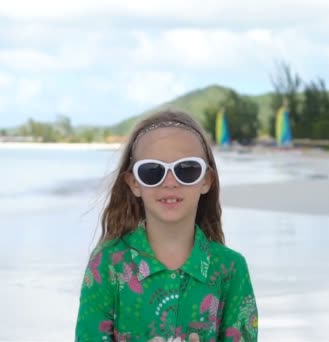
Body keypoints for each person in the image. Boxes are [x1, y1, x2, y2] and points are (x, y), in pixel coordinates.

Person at [75, 110, 258, 341]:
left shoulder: (231, 269)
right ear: (134, 183)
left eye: (187, 169)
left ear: (206, 180)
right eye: (153, 171)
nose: (170, 182)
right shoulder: (107, 265)